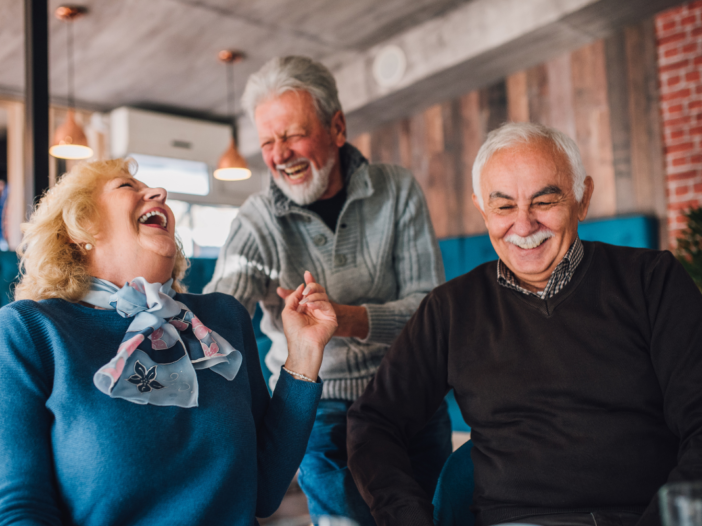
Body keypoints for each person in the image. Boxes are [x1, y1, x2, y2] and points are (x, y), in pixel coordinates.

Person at [346, 122, 702, 526]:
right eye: (503, 206)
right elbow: (373, 422)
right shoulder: (450, 309)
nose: (524, 224)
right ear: (483, 210)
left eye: (544, 201)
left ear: (582, 198)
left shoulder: (652, 281)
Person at [0, 158, 337, 525]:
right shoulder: (29, 331)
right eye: (126, 187)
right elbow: (20, 507)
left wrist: (304, 356)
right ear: (79, 229)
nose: (159, 192)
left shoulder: (221, 318)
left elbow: (265, 491)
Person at [205, 55, 452, 524]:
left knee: (436, 517)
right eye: (268, 142)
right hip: (317, 405)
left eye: (293, 134)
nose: (280, 155)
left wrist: (347, 318)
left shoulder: (396, 190)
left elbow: (430, 311)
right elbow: (220, 309)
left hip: (409, 391)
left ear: (337, 127)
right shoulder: (257, 221)